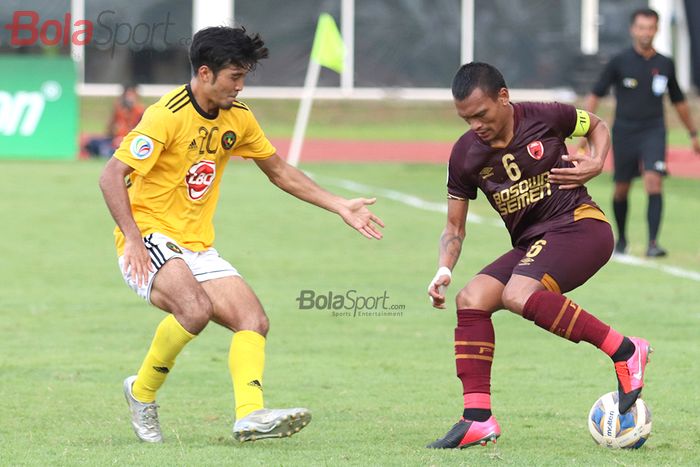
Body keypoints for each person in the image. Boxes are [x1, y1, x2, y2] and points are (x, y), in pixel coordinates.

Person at [98, 26, 384, 444]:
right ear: (205, 73)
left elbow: (280, 171)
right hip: (148, 238)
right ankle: (143, 394)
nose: (241, 85)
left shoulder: (239, 117)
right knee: (193, 310)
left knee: (254, 320)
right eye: (235, 76)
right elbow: (111, 176)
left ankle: (250, 415)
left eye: (244, 75)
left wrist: (339, 204)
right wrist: (134, 240)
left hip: (196, 244)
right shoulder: (166, 115)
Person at [426, 62, 651, 449]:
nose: (475, 125)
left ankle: (627, 351)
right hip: (532, 244)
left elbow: (597, 124)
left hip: (581, 226)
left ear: (503, 96)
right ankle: (477, 418)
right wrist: (444, 268)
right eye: (466, 119)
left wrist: (597, 161)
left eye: (480, 114)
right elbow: (454, 228)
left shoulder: (546, 115)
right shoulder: (464, 155)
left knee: (517, 294)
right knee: (471, 299)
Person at [583, 8, 700, 257]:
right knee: (621, 188)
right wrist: (584, 129)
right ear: (632, 30)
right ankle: (622, 239)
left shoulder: (665, 64)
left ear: (656, 30)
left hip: (654, 130)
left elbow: (678, 101)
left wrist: (693, 133)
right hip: (625, 130)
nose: (645, 33)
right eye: (641, 28)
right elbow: (596, 93)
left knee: (653, 180)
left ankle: (653, 243)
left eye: (650, 28)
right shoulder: (619, 61)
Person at [85, 84, 145, 158]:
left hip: (129, 142)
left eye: (131, 95)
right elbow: (110, 127)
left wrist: (124, 139)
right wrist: (114, 134)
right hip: (115, 140)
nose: (129, 98)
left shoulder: (140, 111)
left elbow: (140, 132)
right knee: (93, 142)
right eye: (127, 95)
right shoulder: (118, 108)